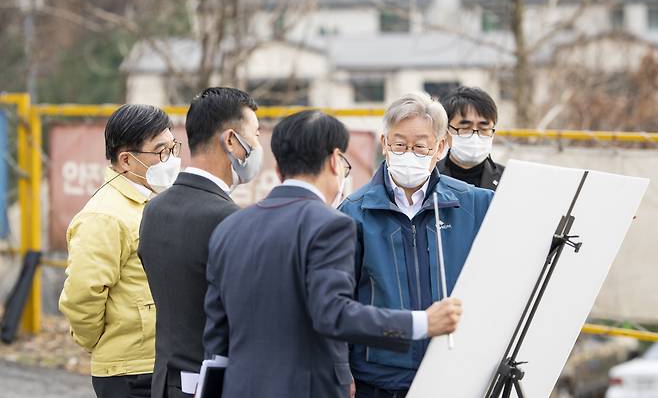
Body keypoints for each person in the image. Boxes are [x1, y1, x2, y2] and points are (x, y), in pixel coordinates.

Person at [203, 110, 463, 398]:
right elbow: (333, 313)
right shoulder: (330, 224)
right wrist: (423, 323)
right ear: (334, 161)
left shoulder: (231, 227)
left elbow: (216, 334)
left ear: (278, 169)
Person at [339, 92, 494, 397]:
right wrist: (341, 370)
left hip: (454, 374)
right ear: (384, 144)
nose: (408, 153)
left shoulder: (475, 204)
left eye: (420, 146)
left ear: (440, 147)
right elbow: (337, 302)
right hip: (379, 380)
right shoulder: (354, 212)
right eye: (399, 144)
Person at [138, 87, 261, 398]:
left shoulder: (153, 209)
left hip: (166, 383)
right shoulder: (230, 219)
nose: (259, 146)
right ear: (231, 140)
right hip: (214, 384)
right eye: (256, 134)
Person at [59, 104, 180, 398]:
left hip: (152, 362)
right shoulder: (104, 215)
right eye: (161, 151)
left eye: (173, 148)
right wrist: (103, 342)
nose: (171, 160)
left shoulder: (148, 202)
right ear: (126, 160)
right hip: (128, 371)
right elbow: (82, 296)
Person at [438, 86, 505, 191]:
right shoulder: (429, 177)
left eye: (484, 128)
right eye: (465, 128)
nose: (475, 135)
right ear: (446, 131)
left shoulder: (507, 178)